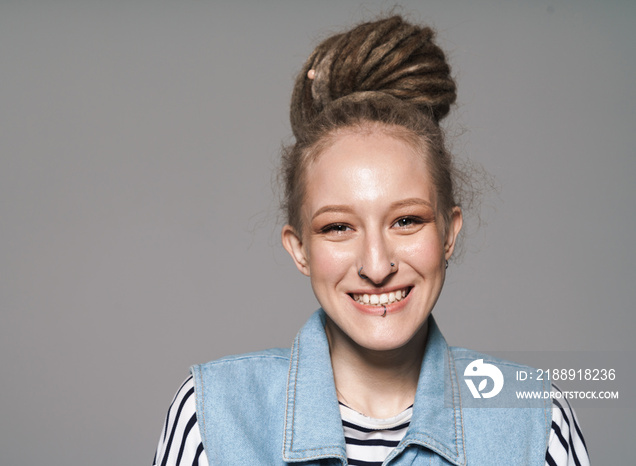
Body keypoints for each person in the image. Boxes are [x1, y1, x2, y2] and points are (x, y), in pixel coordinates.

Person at [152, 15, 589, 466]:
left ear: (449, 232)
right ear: (299, 248)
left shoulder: (535, 420)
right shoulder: (211, 416)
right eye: (338, 227)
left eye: (406, 221)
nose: (377, 267)